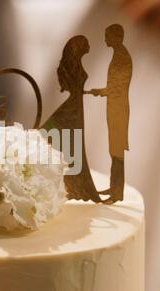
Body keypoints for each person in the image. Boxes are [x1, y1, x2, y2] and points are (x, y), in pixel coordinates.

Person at [42, 35, 101, 203]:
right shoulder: (72, 66)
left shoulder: (76, 64)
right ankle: (73, 186)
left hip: (76, 104)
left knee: (72, 143)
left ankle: (76, 186)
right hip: (74, 105)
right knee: (69, 141)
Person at [88, 24, 132, 204]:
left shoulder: (122, 57)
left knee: (117, 151)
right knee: (113, 150)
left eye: (107, 36)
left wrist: (100, 91)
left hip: (118, 109)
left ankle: (117, 192)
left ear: (116, 37)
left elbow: (118, 88)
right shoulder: (118, 55)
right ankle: (114, 187)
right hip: (114, 107)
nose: (105, 39)